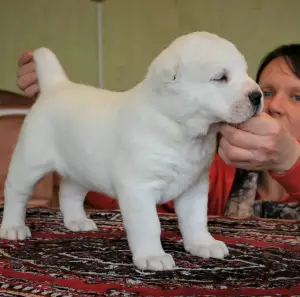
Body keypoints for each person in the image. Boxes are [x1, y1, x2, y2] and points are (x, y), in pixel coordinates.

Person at [16, 44, 300, 219]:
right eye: (266, 92)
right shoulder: (220, 168)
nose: (273, 106)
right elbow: (124, 187)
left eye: (297, 96)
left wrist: (291, 162)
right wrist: (68, 109)